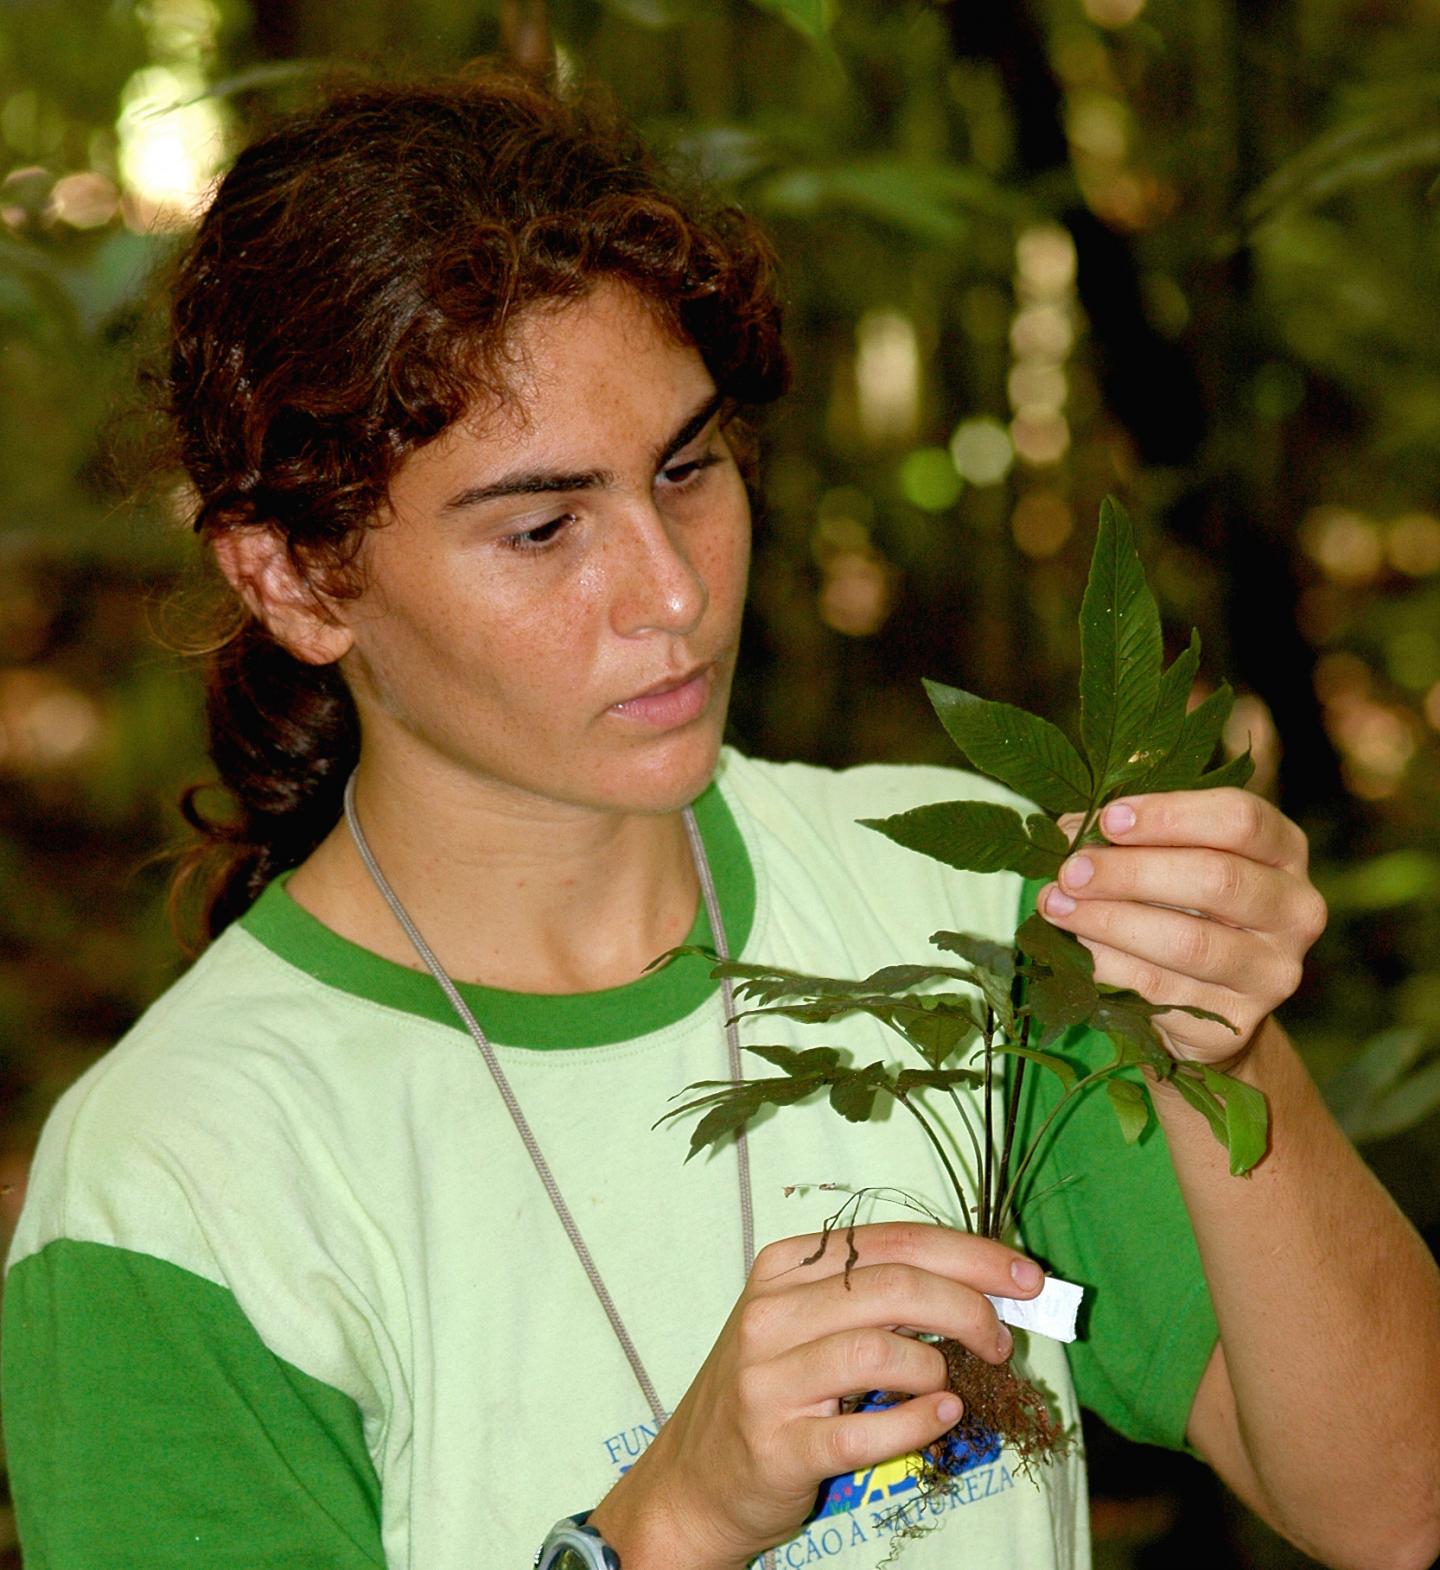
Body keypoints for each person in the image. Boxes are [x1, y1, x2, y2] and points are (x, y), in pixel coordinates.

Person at [3, 64, 1438, 1570]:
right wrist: (661, 1528)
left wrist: (1220, 1035)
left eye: (686, 468)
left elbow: (1388, 1504)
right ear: (293, 580)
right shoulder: (177, 1183)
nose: (673, 593)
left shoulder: (973, 909)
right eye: (545, 526)